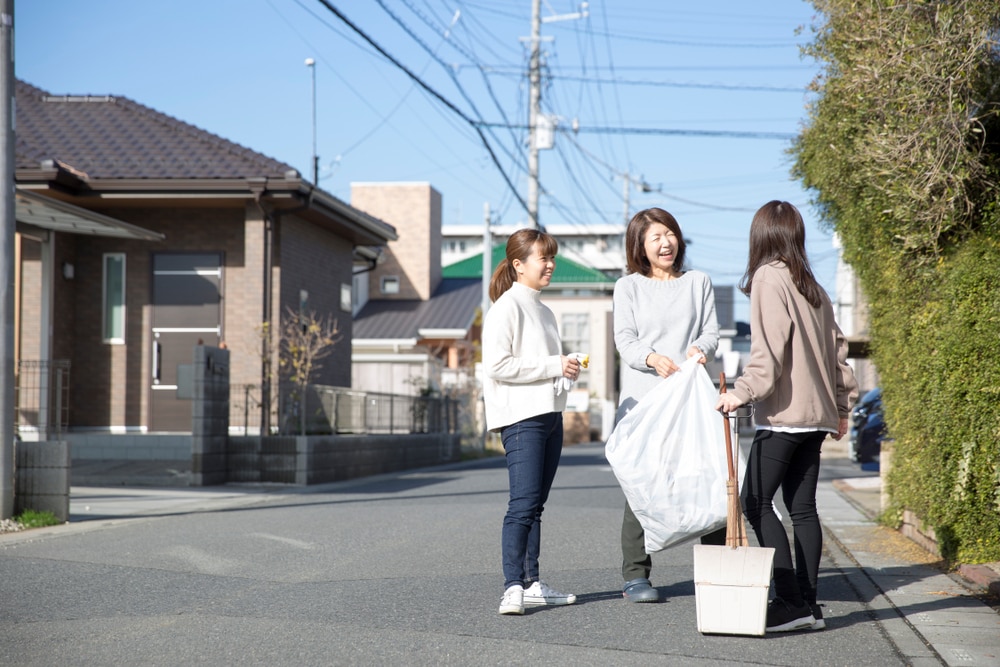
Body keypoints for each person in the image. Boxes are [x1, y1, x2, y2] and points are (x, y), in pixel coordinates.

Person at [715, 200, 858, 632]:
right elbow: (839, 353)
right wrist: (840, 407)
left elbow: (768, 353)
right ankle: (809, 607)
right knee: (802, 508)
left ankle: (790, 602)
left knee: (754, 503)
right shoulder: (812, 286)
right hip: (816, 418)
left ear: (760, 235)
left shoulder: (768, 277)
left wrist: (740, 393)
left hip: (785, 416)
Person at [613, 207, 725, 604]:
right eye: (656, 237)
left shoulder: (698, 282)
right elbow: (625, 340)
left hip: (690, 398)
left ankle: (717, 571)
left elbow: (711, 329)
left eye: (670, 234)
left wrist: (702, 347)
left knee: (707, 478)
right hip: (645, 403)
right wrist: (651, 358)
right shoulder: (628, 287)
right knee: (642, 486)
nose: (666, 243)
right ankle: (635, 576)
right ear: (640, 246)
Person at [482, 228, 581, 616]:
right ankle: (511, 588)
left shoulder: (544, 309)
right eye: (543, 257)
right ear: (518, 265)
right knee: (522, 505)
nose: (550, 264)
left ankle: (533, 583)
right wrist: (553, 364)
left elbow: (538, 366)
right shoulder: (506, 307)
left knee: (536, 505)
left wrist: (563, 370)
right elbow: (498, 366)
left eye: (551, 256)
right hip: (522, 419)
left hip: (549, 414)